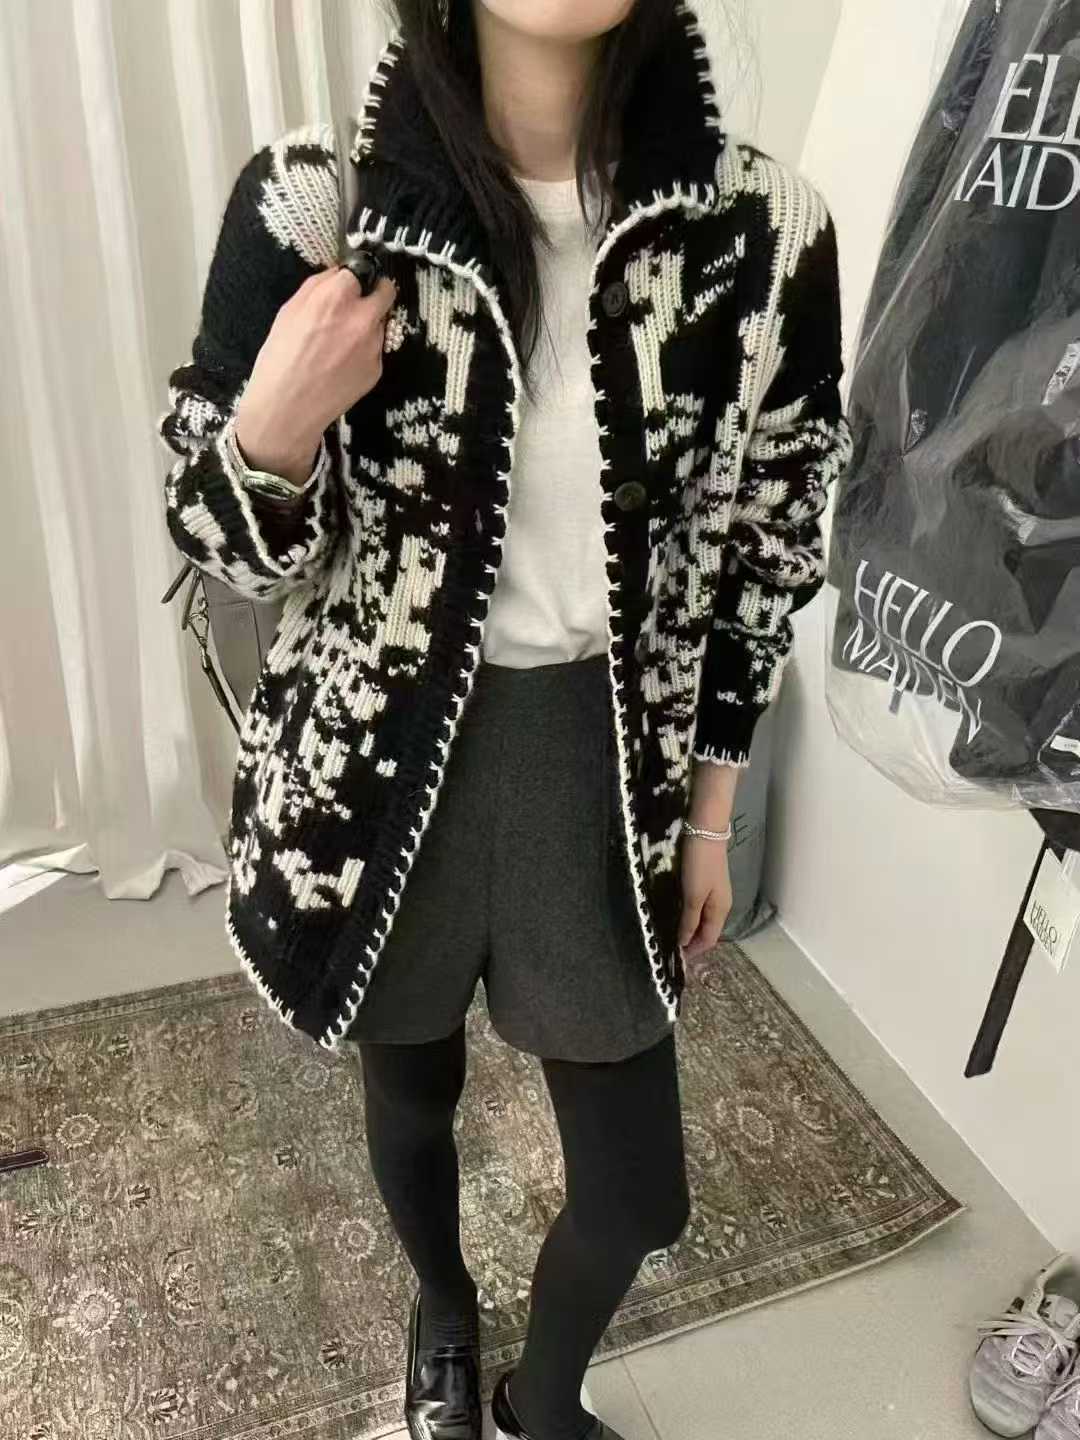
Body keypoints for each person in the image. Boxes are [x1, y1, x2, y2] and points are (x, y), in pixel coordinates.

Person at [158, 2, 852, 1437]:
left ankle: (544, 1402)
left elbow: (769, 551)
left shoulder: (767, 234)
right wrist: (273, 432)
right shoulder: (319, 204)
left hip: (601, 760)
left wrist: (712, 812)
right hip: (377, 757)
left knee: (637, 1196)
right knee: (410, 1090)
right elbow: (224, 552)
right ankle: (444, 1311)